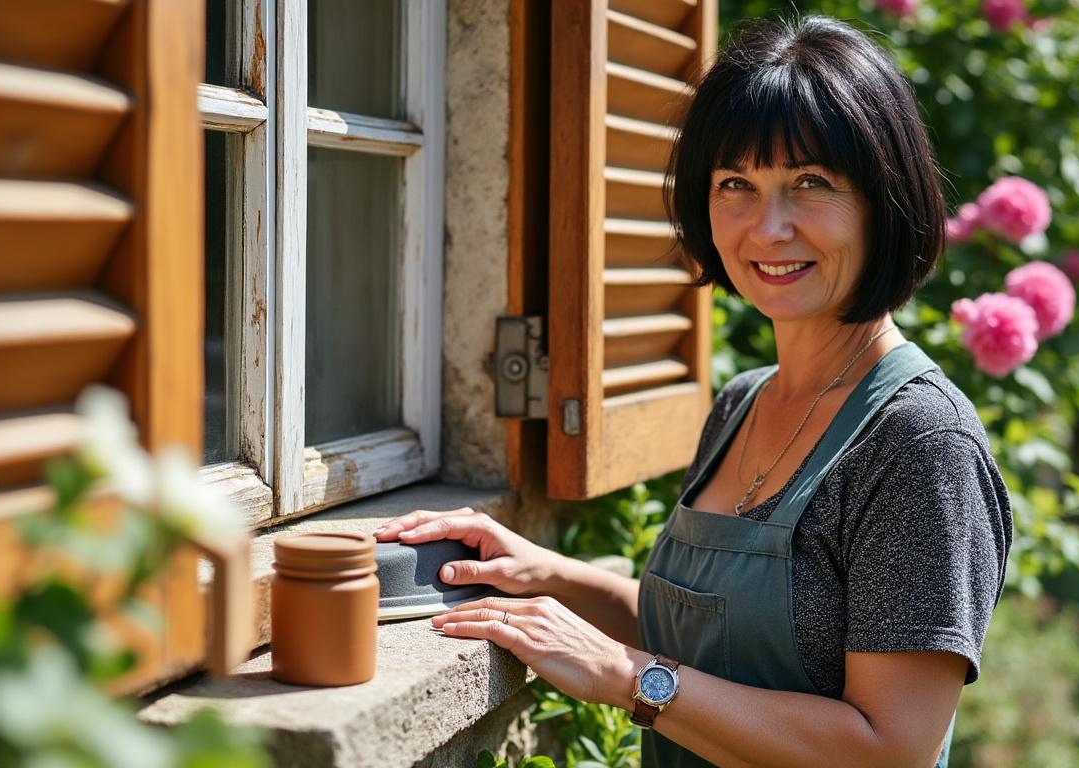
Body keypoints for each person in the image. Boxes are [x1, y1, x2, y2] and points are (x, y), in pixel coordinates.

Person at [375, 16, 1011, 768]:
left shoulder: (920, 446)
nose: (768, 228)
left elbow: (889, 747)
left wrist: (624, 678)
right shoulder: (742, 403)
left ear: (884, 200)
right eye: (736, 184)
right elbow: (713, 641)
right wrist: (546, 572)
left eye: (810, 183)